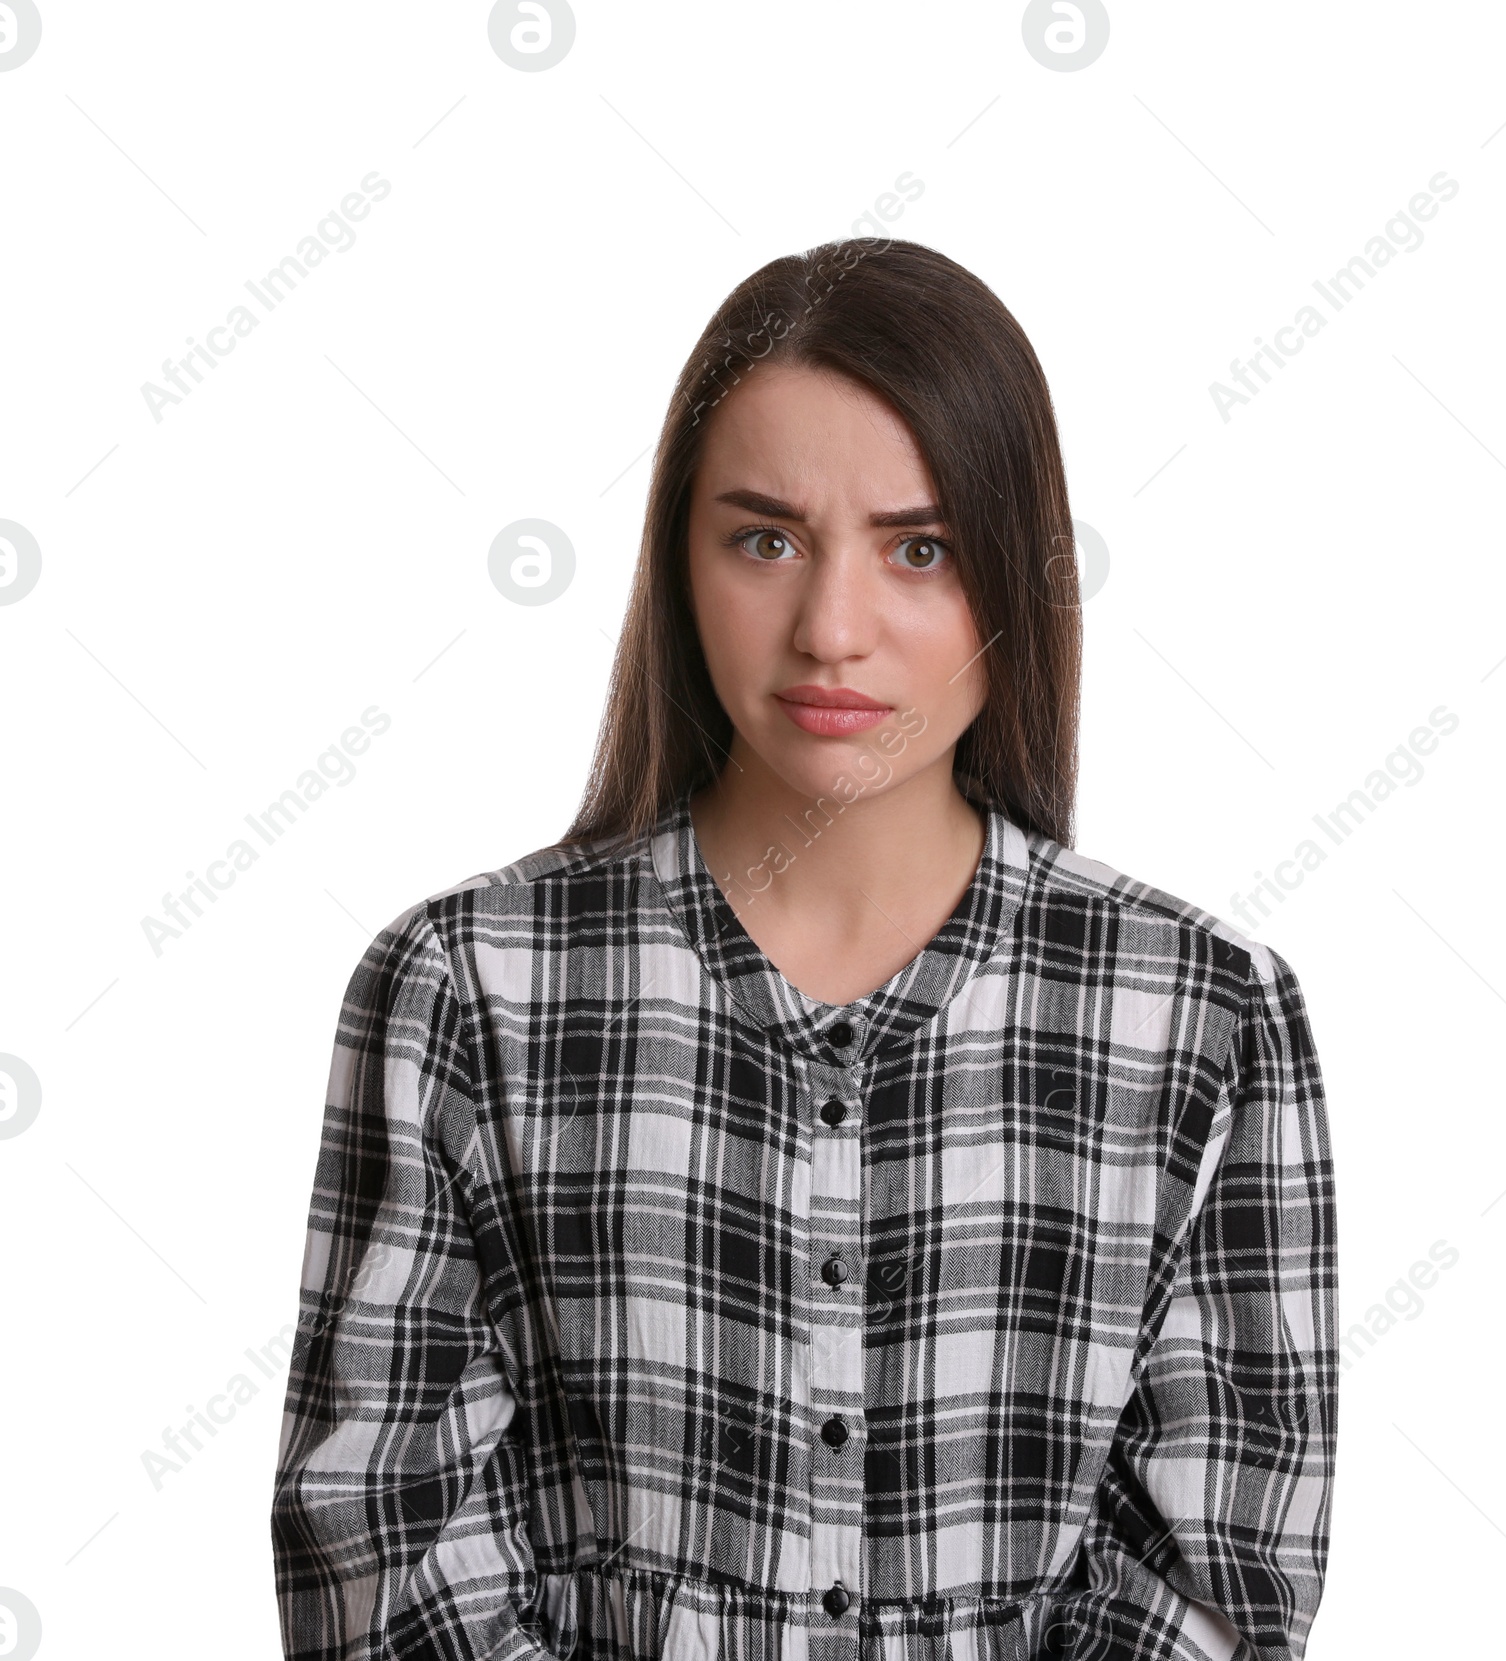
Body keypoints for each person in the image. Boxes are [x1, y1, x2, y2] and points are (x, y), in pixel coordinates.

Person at [271, 237, 1337, 1661]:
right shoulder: (468, 990)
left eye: (919, 547)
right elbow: (381, 1543)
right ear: (678, 559)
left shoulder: (1206, 1017)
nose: (832, 629)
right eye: (765, 538)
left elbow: (1218, 1568)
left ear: (1015, 574)